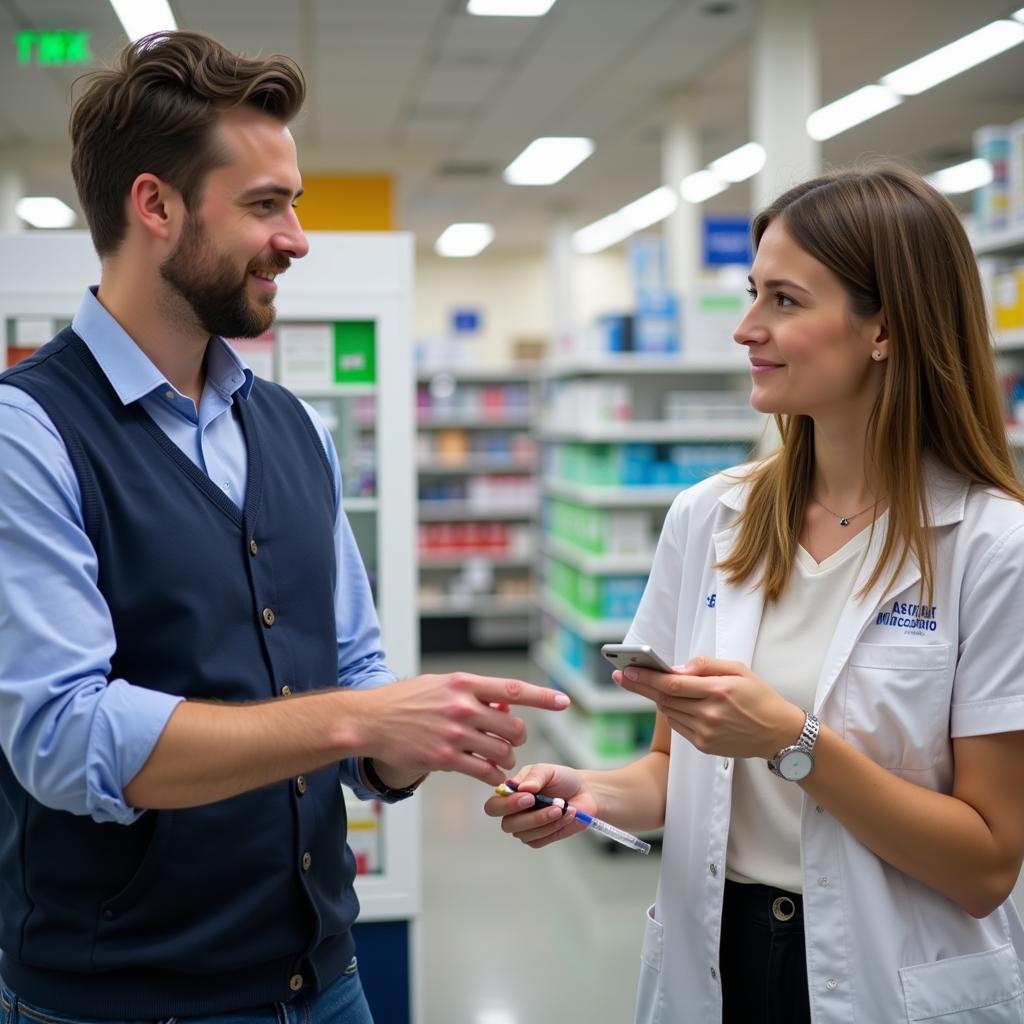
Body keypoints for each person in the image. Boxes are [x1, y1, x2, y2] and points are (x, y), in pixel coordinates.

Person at [0, 31, 571, 1021]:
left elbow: (353, 673)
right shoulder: (29, 433)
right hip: (129, 1000)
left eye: (293, 203)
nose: (298, 237)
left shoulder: (289, 425)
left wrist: (421, 737)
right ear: (155, 205)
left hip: (324, 978)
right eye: (266, 204)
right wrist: (360, 720)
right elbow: (63, 736)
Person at [487, 164, 1024, 1023]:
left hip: (894, 970)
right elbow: (672, 770)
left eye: (784, 300)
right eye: (752, 294)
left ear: (883, 327)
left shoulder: (994, 547)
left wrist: (793, 741)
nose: (746, 328)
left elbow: (988, 863)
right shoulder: (711, 518)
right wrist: (592, 792)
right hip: (722, 956)